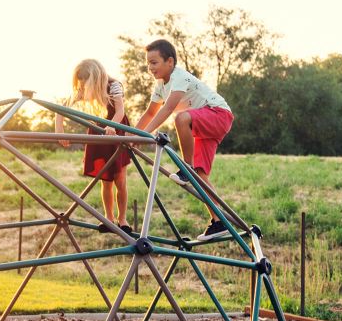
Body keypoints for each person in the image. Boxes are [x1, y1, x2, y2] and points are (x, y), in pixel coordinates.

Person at [135, 38, 234, 241]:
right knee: (201, 175)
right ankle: (218, 222)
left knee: (181, 118)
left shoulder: (179, 77)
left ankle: (186, 167)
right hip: (204, 123)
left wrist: (146, 134)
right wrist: (130, 134)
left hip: (218, 114)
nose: (150, 67)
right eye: (148, 63)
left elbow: (168, 108)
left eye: (154, 62)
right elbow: (149, 113)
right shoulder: (160, 85)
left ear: (169, 62)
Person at [55, 59, 133, 233]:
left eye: (86, 83)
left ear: (96, 79)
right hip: (99, 131)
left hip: (117, 129)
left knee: (120, 179)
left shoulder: (114, 85)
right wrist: (59, 129)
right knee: (105, 180)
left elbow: (120, 110)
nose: (83, 88)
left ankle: (123, 219)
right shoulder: (84, 89)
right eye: (81, 84)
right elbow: (62, 108)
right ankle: (109, 218)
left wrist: (112, 126)